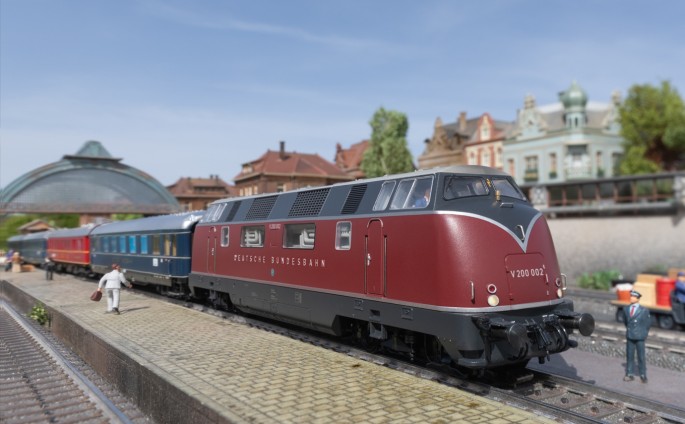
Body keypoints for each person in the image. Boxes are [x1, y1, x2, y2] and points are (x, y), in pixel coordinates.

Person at [622, 290, 651, 383]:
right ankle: (629, 373)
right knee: (629, 356)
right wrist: (629, 330)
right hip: (630, 335)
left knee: (641, 356)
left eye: (634, 297)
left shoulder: (644, 310)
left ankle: (642, 374)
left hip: (640, 336)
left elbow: (647, 323)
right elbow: (626, 321)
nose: (632, 298)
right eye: (631, 296)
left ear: (638, 299)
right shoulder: (626, 309)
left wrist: (644, 334)